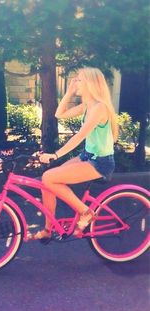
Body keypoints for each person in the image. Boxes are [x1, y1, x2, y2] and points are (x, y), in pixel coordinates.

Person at [29, 67, 118, 240]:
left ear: (90, 83)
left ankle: (86, 212)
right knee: (48, 181)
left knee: (48, 177)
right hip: (87, 156)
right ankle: (48, 230)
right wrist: (69, 92)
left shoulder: (100, 108)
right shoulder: (87, 105)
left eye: (79, 79)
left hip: (100, 162)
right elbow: (58, 114)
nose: (75, 82)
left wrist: (55, 155)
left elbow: (80, 136)